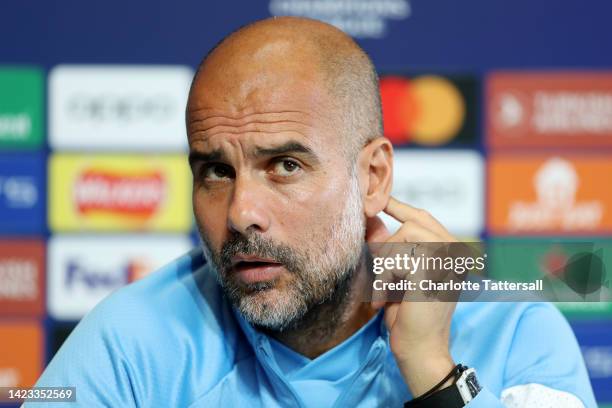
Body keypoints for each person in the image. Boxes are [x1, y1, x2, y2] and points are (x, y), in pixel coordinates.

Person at [32, 17, 596, 407]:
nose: (241, 213)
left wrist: (432, 368)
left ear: (372, 178)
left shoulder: (517, 331)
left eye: (285, 166)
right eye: (216, 172)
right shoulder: (132, 338)